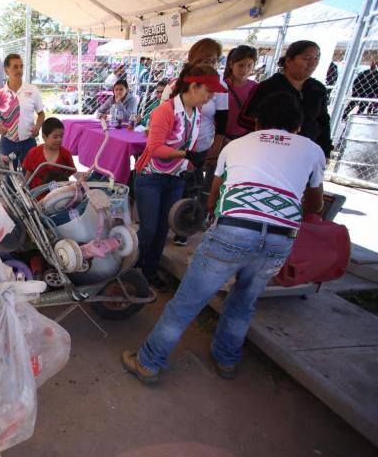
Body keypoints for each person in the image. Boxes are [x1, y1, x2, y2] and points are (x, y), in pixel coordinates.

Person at [121, 92, 325, 383]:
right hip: (281, 237)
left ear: (257, 122)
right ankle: (226, 360)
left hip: (234, 228)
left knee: (187, 303)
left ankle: (149, 363)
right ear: (297, 126)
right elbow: (314, 206)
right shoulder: (312, 149)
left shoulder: (236, 146)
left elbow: (213, 197)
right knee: (244, 302)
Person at [133, 63, 227, 291]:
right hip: (150, 177)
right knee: (148, 230)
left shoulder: (196, 113)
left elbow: (188, 145)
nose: (211, 97)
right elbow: (155, 148)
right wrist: (187, 154)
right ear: (193, 86)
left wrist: (191, 162)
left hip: (174, 178)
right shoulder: (164, 110)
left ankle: (149, 272)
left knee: (163, 228)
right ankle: (128, 269)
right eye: (208, 90)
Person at [162, 38, 228, 246]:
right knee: (171, 186)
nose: (210, 64)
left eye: (214, 60)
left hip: (201, 147)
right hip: (175, 149)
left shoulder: (219, 87)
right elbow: (162, 121)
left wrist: (215, 149)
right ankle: (164, 225)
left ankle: (183, 227)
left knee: (192, 188)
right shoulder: (174, 86)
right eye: (206, 59)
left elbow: (222, 121)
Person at [239, 40, 332, 159]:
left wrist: (325, 151)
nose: (312, 63)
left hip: (306, 154)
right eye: (306, 58)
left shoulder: (318, 89)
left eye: (316, 58)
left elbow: (323, 122)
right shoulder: (268, 87)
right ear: (288, 60)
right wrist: (277, 134)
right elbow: (244, 118)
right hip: (270, 154)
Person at [0, 54, 45, 166]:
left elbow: (41, 114)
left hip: (29, 142)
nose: (19, 70)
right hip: (7, 143)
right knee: (10, 178)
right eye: (15, 67)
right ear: (6, 70)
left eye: (21, 66)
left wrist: (37, 127)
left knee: (30, 176)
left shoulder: (32, 90)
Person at [22, 117, 76, 190]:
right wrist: (24, 189)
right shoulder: (33, 153)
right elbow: (28, 174)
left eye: (61, 136)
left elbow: (72, 170)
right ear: (44, 137)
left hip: (58, 192)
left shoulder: (65, 154)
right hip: (37, 192)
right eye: (55, 137)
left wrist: (60, 178)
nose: (59, 140)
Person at [223, 45, 258, 140]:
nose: (245, 70)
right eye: (241, 65)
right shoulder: (221, 86)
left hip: (246, 138)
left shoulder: (256, 87)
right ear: (231, 64)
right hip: (221, 137)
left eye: (249, 65)